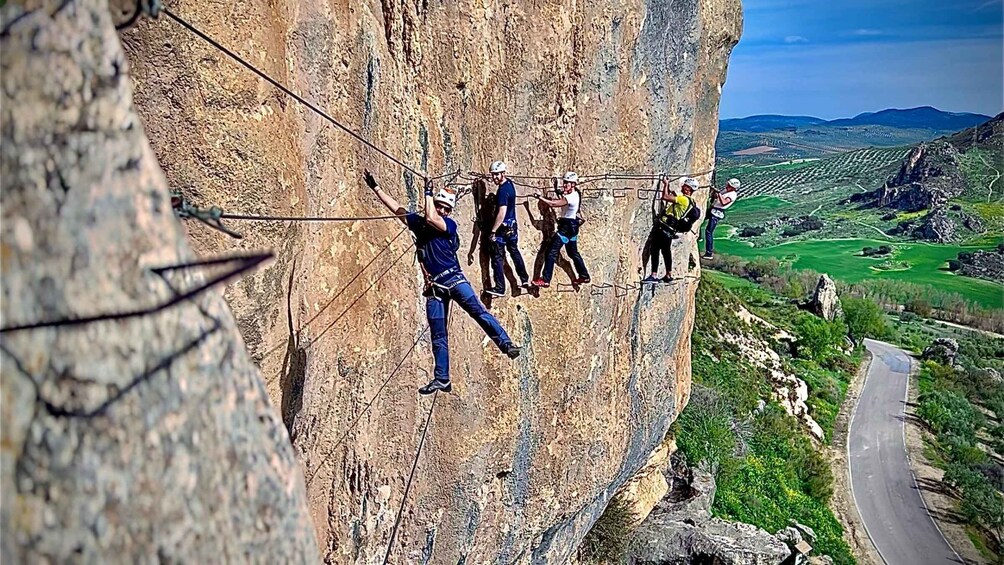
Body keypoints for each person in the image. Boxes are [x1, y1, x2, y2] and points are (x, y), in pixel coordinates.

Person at [364, 169, 521, 395]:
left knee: (478, 312)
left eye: (446, 209)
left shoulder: (450, 226)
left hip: (454, 279)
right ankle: (442, 378)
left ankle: (505, 343)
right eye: (440, 206)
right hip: (435, 288)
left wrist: (428, 194)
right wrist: (376, 188)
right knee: (438, 335)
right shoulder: (419, 224)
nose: (443, 211)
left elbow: (431, 218)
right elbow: (398, 209)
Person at [532, 172, 590, 288]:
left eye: (567, 183)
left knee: (551, 252)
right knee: (573, 253)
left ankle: (546, 279)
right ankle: (584, 275)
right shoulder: (576, 193)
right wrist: (558, 190)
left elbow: (553, 204)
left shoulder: (570, 197)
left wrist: (540, 198)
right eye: (564, 182)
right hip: (573, 226)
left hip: (566, 228)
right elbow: (563, 198)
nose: (564, 185)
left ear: (573, 184)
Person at [486, 160, 531, 296]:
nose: (494, 177)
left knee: (497, 258)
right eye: (493, 175)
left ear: (503, 173)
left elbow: (501, 213)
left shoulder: (502, 191)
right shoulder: (510, 184)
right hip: (512, 226)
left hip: (503, 229)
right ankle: (524, 279)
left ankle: (500, 288)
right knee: (514, 252)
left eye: (497, 175)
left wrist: (493, 231)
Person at [643, 177, 697, 283]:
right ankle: (668, 274)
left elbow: (665, 197)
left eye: (685, 186)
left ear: (688, 189)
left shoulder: (683, 199)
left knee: (655, 250)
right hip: (671, 230)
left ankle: (653, 275)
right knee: (666, 251)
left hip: (664, 228)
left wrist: (666, 184)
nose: (682, 187)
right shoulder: (692, 202)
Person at [703, 177, 740, 260]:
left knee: (709, 232)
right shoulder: (727, 191)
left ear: (733, 187)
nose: (727, 185)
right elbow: (717, 197)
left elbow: (724, 202)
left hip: (717, 213)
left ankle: (709, 253)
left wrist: (718, 193)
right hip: (713, 209)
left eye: (729, 185)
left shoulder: (732, 195)